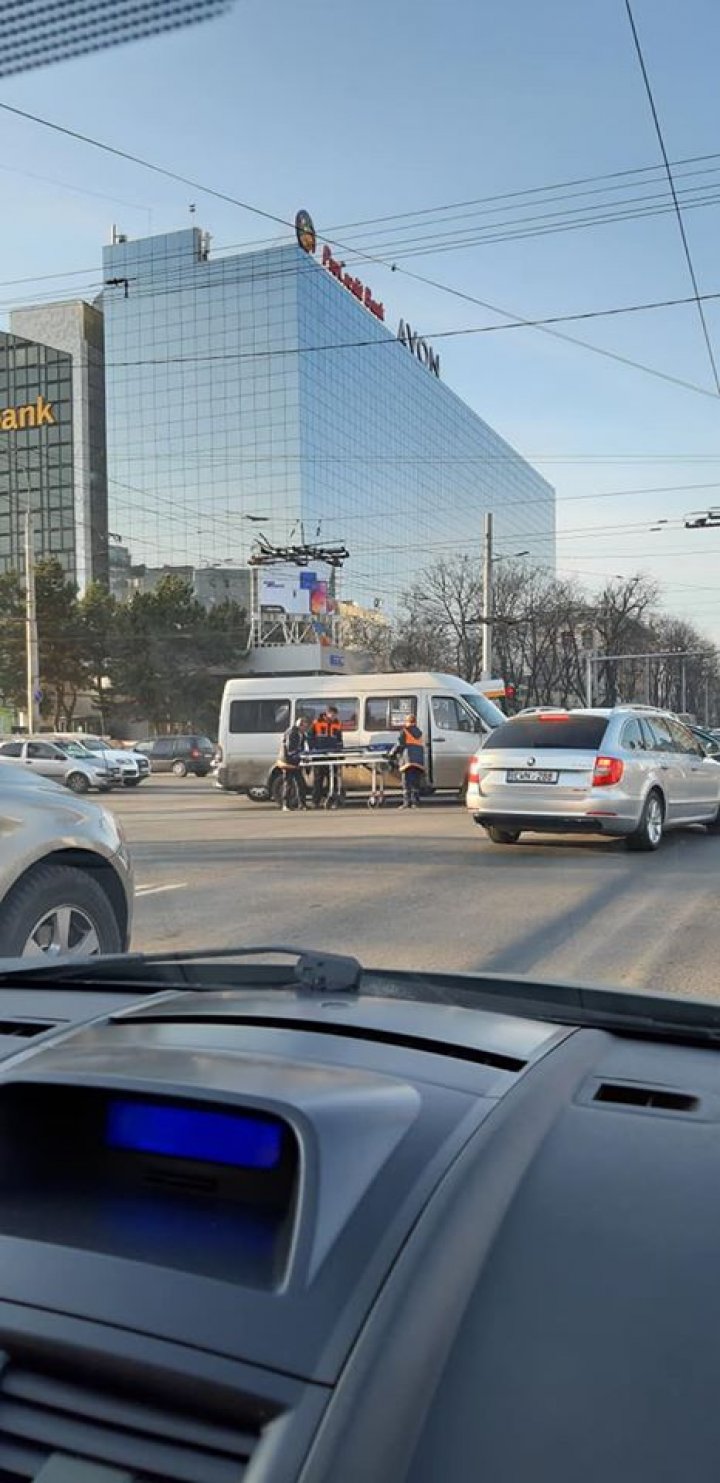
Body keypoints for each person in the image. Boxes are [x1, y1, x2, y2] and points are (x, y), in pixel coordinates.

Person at [309, 705, 344, 808]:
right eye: (331, 714)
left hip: (332, 755)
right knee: (318, 779)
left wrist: (340, 753)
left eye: (334, 715)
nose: (333, 716)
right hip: (319, 754)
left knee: (332, 779)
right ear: (327, 713)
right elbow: (310, 736)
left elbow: (339, 739)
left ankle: (331, 799)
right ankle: (315, 801)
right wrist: (313, 749)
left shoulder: (337, 723)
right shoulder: (317, 722)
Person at [390, 714, 426, 808]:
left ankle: (406, 803)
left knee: (406, 783)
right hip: (418, 761)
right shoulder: (420, 732)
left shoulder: (404, 731)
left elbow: (399, 745)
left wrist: (391, 754)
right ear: (415, 721)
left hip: (408, 760)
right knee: (415, 782)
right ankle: (415, 803)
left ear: (407, 721)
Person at [277, 715, 309, 811]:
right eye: (304, 726)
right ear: (300, 725)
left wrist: (303, 756)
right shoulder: (292, 733)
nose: (305, 728)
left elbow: (302, 746)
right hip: (287, 761)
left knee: (300, 783)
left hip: (296, 761)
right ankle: (285, 804)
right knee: (288, 783)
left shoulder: (302, 734)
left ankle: (302, 804)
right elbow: (290, 748)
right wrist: (299, 754)